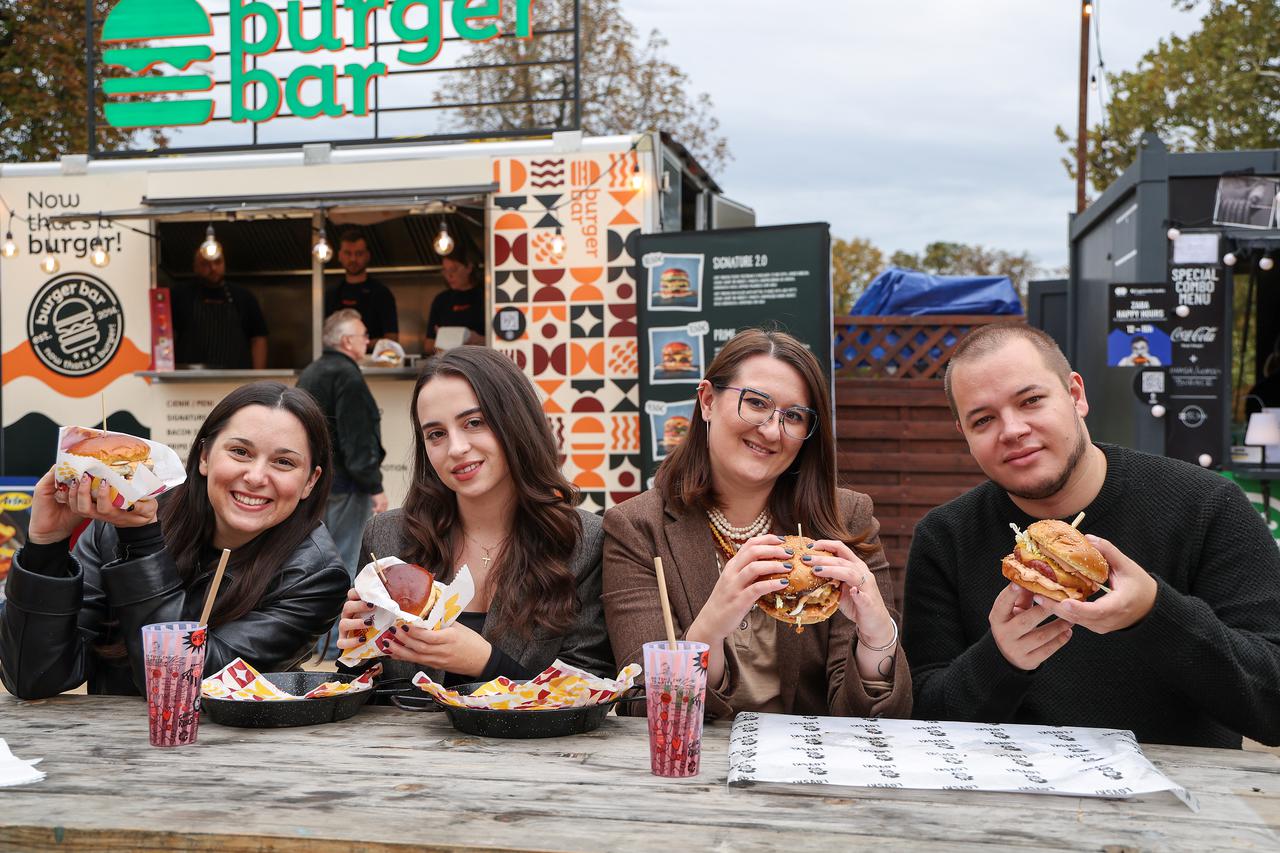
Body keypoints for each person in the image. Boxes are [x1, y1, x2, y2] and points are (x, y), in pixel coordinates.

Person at [902, 324, 1280, 748]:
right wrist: (1001, 660)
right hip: (1008, 802)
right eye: (983, 419)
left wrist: (1153, 613)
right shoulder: (946, 537)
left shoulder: (1206, 505)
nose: (1012, 430)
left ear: (1075, 395)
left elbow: (1272, 706)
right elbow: (925, 719)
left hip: (1179, 800)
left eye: (1030, 401)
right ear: (965, 436)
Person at [603, 329, 911, 720]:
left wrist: (877, 637)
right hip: (688, 770)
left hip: (809, 767)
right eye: (756, 403)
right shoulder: (636, 528)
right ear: (708, 401)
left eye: (794, 416)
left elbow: (877, 719)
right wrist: (710, 628)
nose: (770, 430)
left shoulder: (846, 520)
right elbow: (640, 704)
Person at [0, 382, 349, 698]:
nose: (256, 476)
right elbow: (32, 679)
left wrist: (142, 544)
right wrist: (46, 545)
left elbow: (180, 684)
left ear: (310, 482)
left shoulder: (314, 575)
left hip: (240, 755)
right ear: (204, 456)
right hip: (110, 754)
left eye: (284, 462)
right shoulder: (121, 520)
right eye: (240, 452)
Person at [335, 346, 613, 689]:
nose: (456, 448)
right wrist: (355, 656)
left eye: (474, 423)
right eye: (436, 434)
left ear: (516, 423)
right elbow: (363, 693)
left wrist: (486, 662)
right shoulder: (389, 537)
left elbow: (588, 693)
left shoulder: (584, 542)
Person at [297, 309, 388, 659]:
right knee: (348, 565)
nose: (369, 341)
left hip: (317, 484)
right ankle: (337, 644)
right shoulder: (348, 377)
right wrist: (374, 485)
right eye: (364, 335)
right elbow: (357, 439)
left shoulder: (312, 371)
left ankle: (313, 644)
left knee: (317, 561)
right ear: (348, 341)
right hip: (348, 487)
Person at [171, 245, 269, 369]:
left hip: (236, 378)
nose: (213, 268)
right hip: (189, 379)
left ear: (224, 264)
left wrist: (257, 379)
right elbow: (166, 336)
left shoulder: (243, 296)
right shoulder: (180, 295)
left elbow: (258, 338)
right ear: (195, 267)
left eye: (218, 262)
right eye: (205, 264)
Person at [323, 229, 398, 346]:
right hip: (338, 362)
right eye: (348, 253)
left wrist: (356, 344)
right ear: (339, 255)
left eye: (359, 253)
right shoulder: (331, 294)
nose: (353, 259)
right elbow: (323, 337)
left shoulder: (381, 293)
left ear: (367, 255)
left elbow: (392, 339)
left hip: (374, 362)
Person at [424, 250, 486, 354]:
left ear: (469, 268)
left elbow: (502, 341)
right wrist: (442, 343)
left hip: (481, 362)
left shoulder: (486, 297)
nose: (449, 275)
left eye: (453, 269)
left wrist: (480, 340)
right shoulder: (441, 300)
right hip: (449, 364)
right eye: (445, 270)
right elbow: (428, 345)